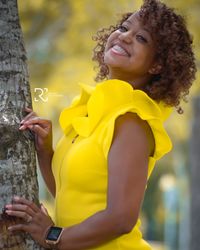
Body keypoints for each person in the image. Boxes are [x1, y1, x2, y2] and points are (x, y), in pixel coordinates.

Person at [5, 0, 196, 249]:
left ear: (157, 65)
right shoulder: (93, 111)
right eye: (124, 27)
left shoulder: (131, 122)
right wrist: (45, 152)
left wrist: (52, 236)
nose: (124, 37)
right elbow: (71, 193)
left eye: (141, 38)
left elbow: (120, 219)